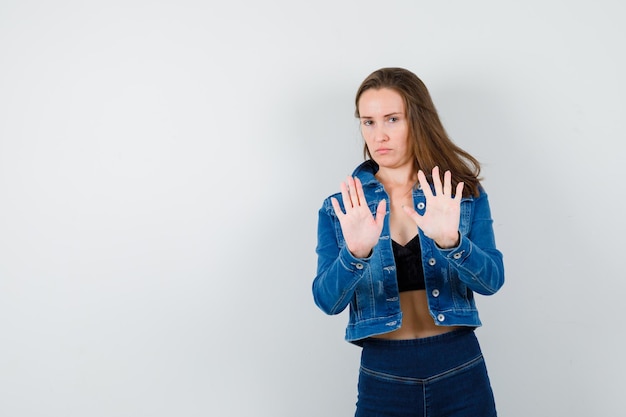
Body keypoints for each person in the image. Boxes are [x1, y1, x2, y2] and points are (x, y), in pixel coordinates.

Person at [312, 67, 504, 417]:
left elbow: (492, 281)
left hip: (459, 368)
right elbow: (327, 301)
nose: (379, 135)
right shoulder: (342, 207)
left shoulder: (459, 195)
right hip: (384, 376)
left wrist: (452, 242)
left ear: (417, 120)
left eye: (392, 119)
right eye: (368, 121)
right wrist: (356, 254)